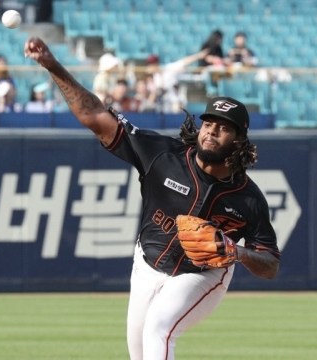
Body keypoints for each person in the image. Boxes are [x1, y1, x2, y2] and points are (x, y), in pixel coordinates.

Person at [24, 36, 280, 360]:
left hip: (201, 275)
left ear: (239, 139)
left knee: (159, 327)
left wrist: (236, 251)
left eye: (223, 127)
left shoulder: (248, 198)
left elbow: (270, 263)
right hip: (147, 263)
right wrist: (52, 66)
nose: (212, 131)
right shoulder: (163, 155)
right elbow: (95, 117)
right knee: (140, 351)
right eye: (209, 123)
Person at [146, 49, 209, 114]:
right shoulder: (155, 77)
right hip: (164, 104)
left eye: (152, 64)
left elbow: (184, 62)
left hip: (176, 101)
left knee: (176, 109)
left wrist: (198, 55)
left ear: (156, 64)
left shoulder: (169, 68)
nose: (150, 67)